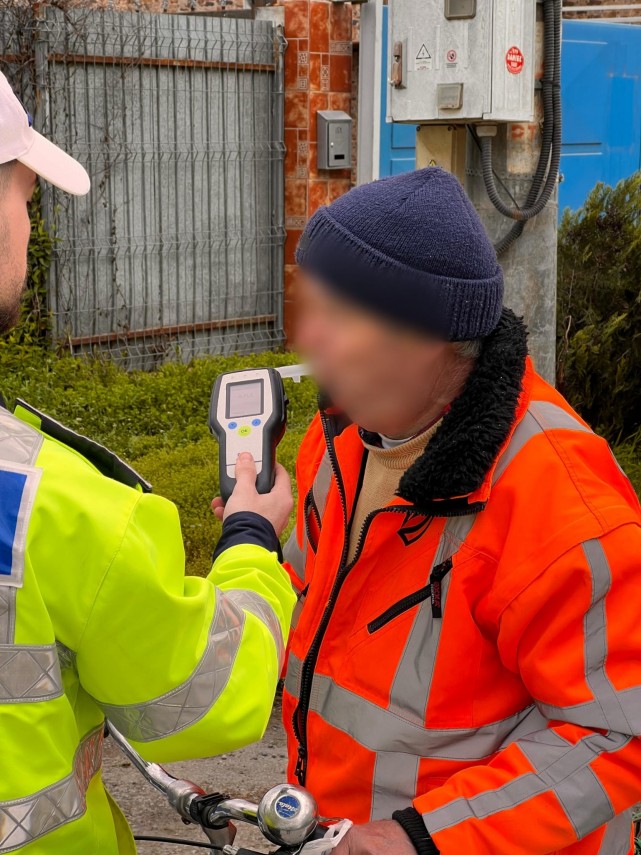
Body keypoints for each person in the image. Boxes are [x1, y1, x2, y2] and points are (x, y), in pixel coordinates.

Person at [282, 167, 641, 855]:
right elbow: (322, 607)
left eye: (338, 316)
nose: (308, 339)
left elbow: (620, 731)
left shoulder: (563, 506)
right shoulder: (341, 435)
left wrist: (417, 838)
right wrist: (257, 539)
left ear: (427, 339)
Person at [0, 71, 295, 854]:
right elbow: (204, 697)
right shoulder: (51, 507)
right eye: (24, 198)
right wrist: (251, 541)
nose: (29, 226)